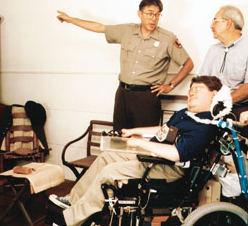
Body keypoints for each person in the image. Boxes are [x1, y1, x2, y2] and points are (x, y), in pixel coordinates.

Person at [49, 75, 221, 226]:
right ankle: (72, 201)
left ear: (213, 95)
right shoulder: (185, 113)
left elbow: (177, 154)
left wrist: (141, 144)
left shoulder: (205, 126)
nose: (191, 92)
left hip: (169, 167)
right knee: (107, 156)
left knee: (110, 171)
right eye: (191, 89)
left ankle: (71, 219)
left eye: (198, 89)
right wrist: (135, 131)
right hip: (152, 157)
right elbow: (164, 130)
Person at [57, 0, 194, 130]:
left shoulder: (167, 38)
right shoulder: (128, 31)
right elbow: (99, 27)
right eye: (150, 14)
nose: (154, 18)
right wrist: (70, 19)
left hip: (146, 97)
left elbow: (188, 63)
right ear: (139, 14)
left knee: (144, 141)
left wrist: (170, 86)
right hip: (123, 94)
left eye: (158, 15)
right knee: (119, 136)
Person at [199, 5, 248, 120]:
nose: (211, 26)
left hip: (238, 108)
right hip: (210, 107)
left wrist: (221, 102)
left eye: (215, 21)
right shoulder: (213, 50)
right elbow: (201, 81)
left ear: (228, 23)